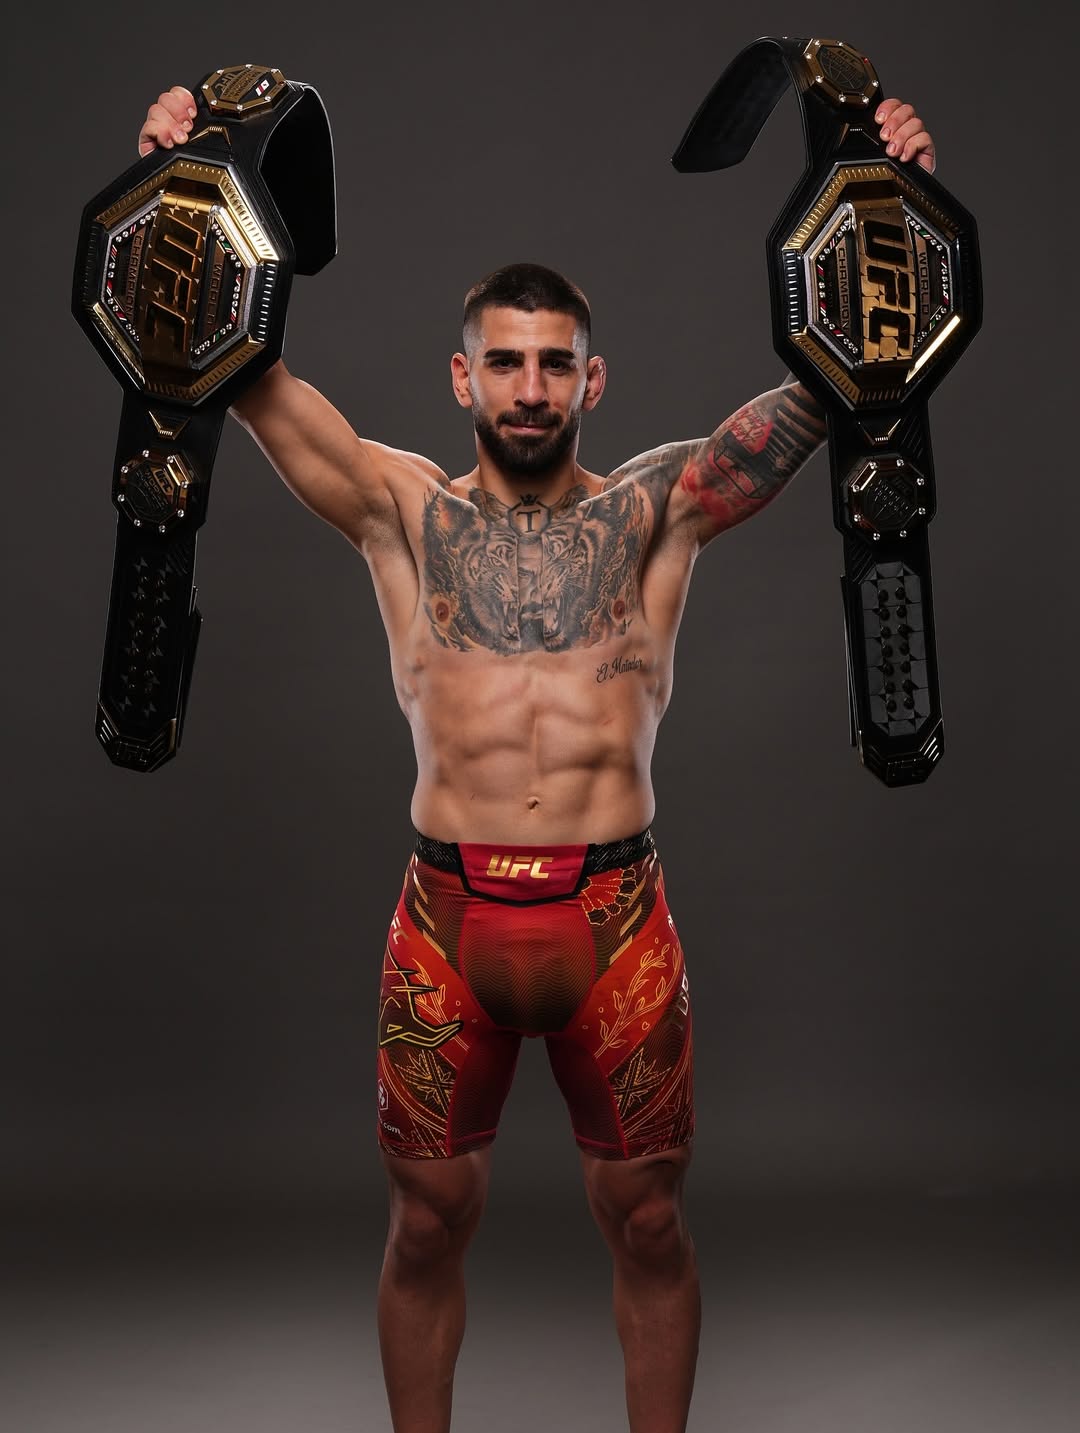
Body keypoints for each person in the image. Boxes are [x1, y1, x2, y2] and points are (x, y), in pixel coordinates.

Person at [136, 85, 936, 1433]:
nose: (529, 387)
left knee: (652, 1225)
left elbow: (832, 376)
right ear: (462, 376)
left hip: (616, 920)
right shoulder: (397, 509)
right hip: (445, 921)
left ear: (592, 378)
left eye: (554, 362)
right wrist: (180, 179)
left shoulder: (658, 512)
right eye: (504, 362)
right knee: (424, 1227)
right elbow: (231, 359)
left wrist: (885, 192)